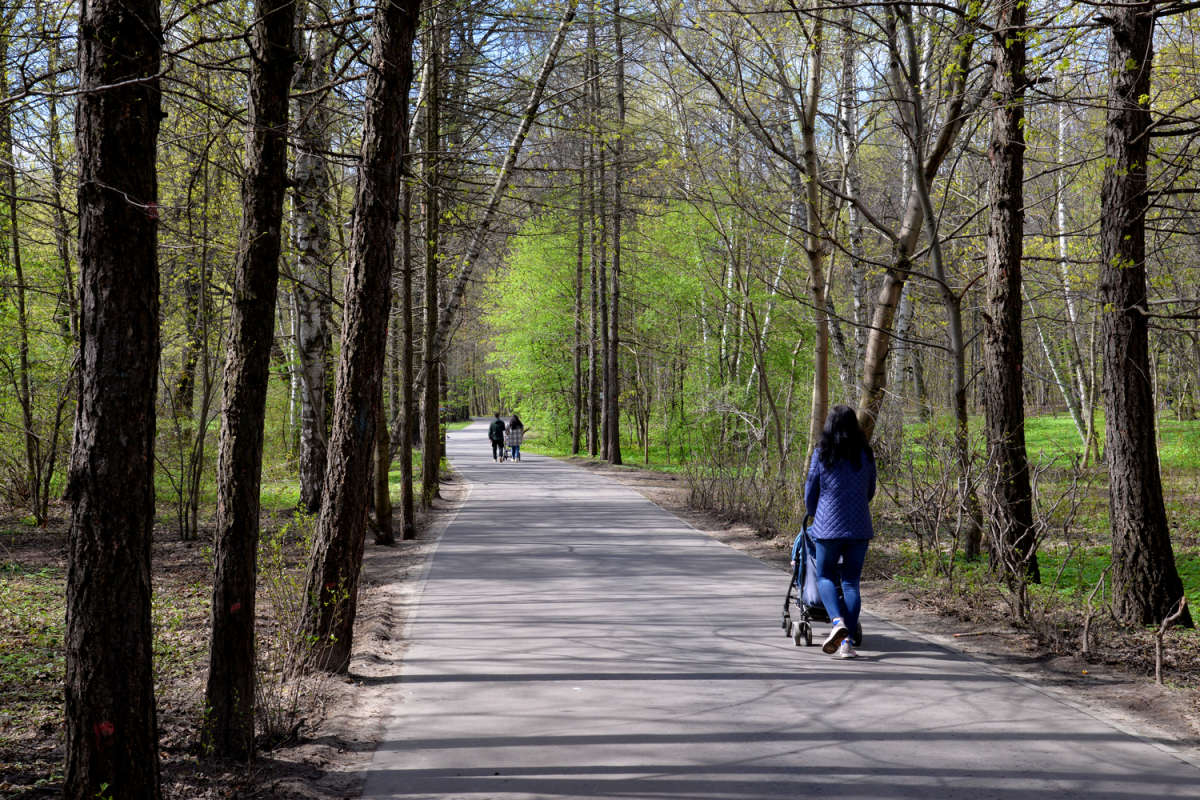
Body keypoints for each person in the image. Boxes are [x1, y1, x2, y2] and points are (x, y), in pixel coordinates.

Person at [804, 404, 876, 659]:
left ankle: (837, 623)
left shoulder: (823, 453)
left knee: (825, 575)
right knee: (851, 582)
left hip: (827, 527)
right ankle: (847, 644)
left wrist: (813, 512)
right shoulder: (865, 453)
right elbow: (870, 490)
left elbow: (811, 490)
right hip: (859, 526)